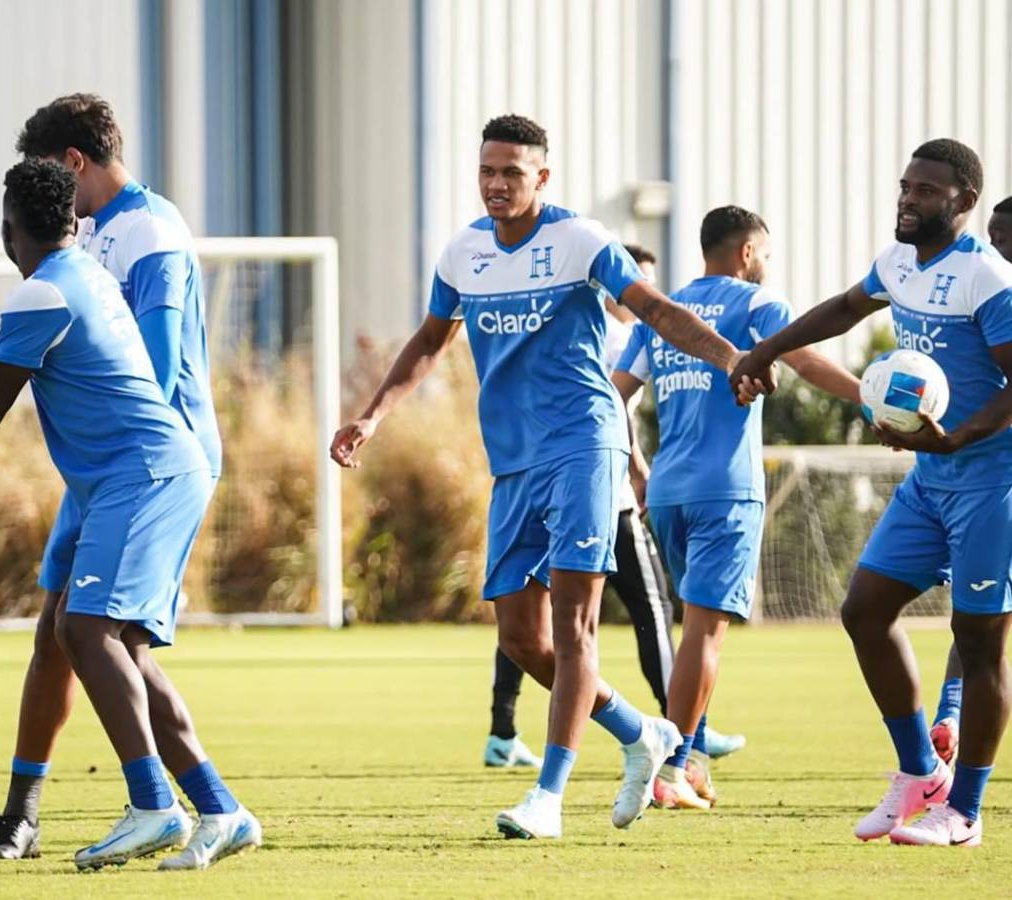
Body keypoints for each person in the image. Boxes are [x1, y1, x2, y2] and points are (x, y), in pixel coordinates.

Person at [332, 114, 761, 840]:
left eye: (512, 171)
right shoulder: (464, 253)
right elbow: (431, 340)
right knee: (522, 640)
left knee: (574, 623)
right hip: (513, 461)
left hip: (584, 445)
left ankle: (548, 797)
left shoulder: (580, 240)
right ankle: (640, 731)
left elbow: (654, 310)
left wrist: (730, 358)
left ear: (542, 176)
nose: (497, 184)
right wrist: (373, 416)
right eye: (487, 171)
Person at [0, 158, 257, 871]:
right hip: (154, 471)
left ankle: (153, 806)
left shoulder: (42, 293)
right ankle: (220, 808)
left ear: (8, 231)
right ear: (73, 225)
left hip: (139, 476)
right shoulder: (80, 276)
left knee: (84, 629)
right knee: (113, 644)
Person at [0, 93, 234, 867]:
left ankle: (169, 804)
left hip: (150, 462)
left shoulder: (151, 231)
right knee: (68, 633)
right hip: (105, 468)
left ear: (73, 162)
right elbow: (10, 352)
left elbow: (153, 370)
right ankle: (26, 815)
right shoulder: (81, 240)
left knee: (100, 634)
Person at [730, 139, 1012, 847]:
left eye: (926, 191)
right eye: (905, 187)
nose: (908, 200)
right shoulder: (899, 263)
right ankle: (920, 773)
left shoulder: (987, 277)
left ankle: (964, 812)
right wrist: (765, 350)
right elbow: (842, 309)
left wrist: (959, 437)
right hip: (929, 480)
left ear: (963, 201)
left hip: (990, 483)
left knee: (979, 646)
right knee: (864, 609)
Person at [614, 206, 858, 809]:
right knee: (705, 633)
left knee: (693, 631)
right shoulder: (758, 305)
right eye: (765, 254)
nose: (767, 265)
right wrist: (870, 399)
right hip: (725, 490)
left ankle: (691, 761)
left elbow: (614, 396)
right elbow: (805, 360)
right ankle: (671, 769)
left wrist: (635, 466)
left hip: (667, 492)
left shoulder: (661, 312)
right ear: (747, 253)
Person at [483, 243, 745, 771]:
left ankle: (505, 729)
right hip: (603, 494)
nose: (637, 294)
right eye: (631, 283)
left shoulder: (598, 328)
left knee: (533, 619)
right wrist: (638, 470)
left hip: (560, 483)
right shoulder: (618, 335)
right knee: (645, 612)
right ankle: (680, 729)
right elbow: (612, 403)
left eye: (644, 282)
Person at [926, 193, 1012, 768]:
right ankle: (951, 712)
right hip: (991, 481)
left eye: (1006, 238)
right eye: (993, 235)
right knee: (979, 616)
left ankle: (954, 713)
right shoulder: (987, 296)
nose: (995, 245)